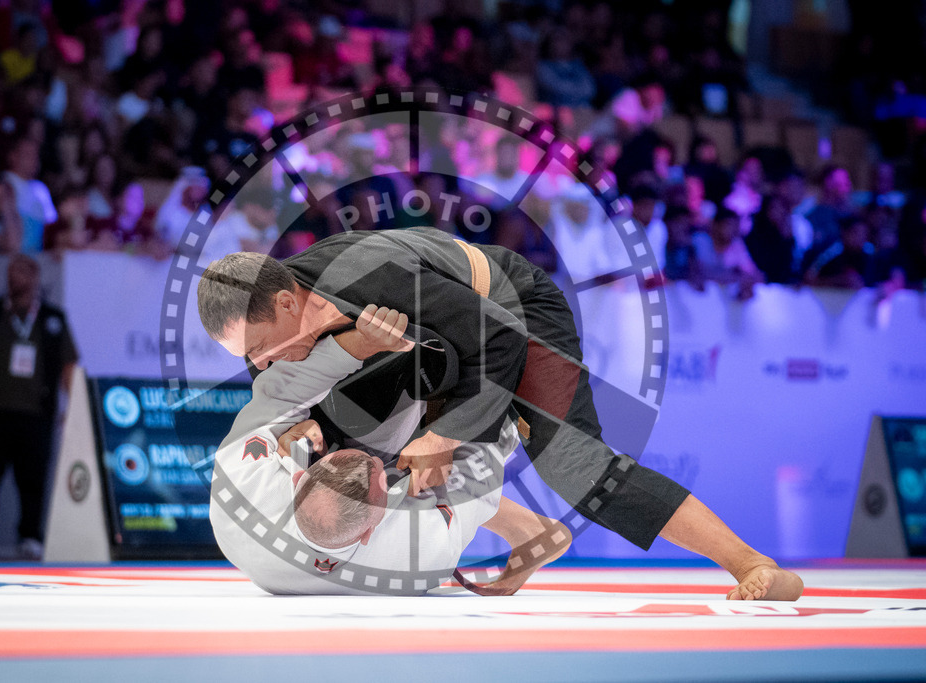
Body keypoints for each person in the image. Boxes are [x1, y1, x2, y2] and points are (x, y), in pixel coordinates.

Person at [198, 227, 804, 600]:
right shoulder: (280, 341)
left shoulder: (367, 272)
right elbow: (300, 402)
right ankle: (525, 529)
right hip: (444, 347)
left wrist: (445, 434)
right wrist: (309, 428)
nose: (258, 364)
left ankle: (750, 562)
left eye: (259, 349)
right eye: (245, 358)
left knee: (575, 468)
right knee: (350, 455)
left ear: (286, 301)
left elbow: (503, 341)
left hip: (514, 313)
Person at [210, 305, 569, 595]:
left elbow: (279, 391)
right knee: (435, 464)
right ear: (374, 527)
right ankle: (530, 529)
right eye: (384, 471)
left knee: (342, 429)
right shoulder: (422, 555)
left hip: (293, 496)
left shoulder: (240, 496)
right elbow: (479, 481)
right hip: (401, 520)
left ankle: (528, 530)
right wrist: (453, 433)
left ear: (298, 476)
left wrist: (362, 342)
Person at [0, 255, 79, 559]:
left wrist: (72, 409)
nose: (14, 277)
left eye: (21, 271)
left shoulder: (52, 318)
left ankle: (30, 536)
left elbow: (68, 367)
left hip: (35, 412)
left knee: (33, 477)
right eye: (10, 271)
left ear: (34, 277)